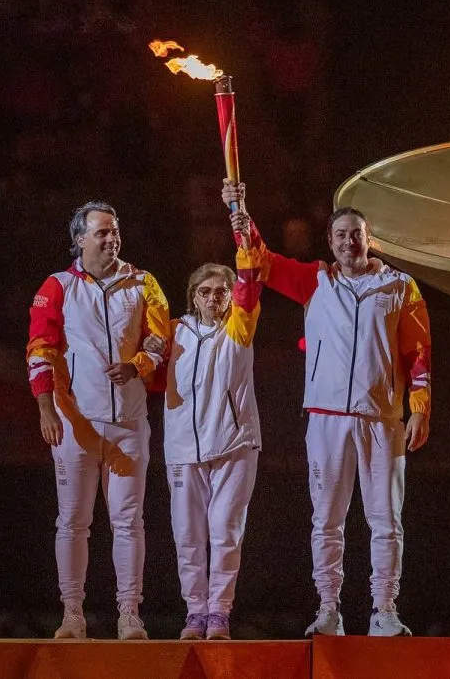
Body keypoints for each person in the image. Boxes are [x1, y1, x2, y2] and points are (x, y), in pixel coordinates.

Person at [222, 181, 432, 637]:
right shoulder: (316, 280)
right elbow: (262, 258)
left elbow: (417, 353)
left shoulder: (400, 286)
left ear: (368, 239)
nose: (348, 241)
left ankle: (384, 611)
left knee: (386, 520)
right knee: (328, 520)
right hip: (327, 419)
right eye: (339, 235)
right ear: (330, 243)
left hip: (382, 420)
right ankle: (329, 609)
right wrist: (240, 209)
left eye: (355, 233)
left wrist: (419, 407)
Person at [26, 201, 170, 640]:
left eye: (115, 230)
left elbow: (161, 335)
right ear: (80, 239)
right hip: (76, 423)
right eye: (101, 232)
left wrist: (140, 364)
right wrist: (46, 408)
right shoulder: (57, 286)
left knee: (129, 521)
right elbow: (40, 349)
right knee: (72, 521)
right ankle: (73, 614)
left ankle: (130, 614)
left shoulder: (144, 283)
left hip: (128, 422)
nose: (111, 238)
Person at [144, 245, 264, 641]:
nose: (214, 298)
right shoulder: (174, 331)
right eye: (205, 291)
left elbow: (251, 282)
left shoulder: (239, 327)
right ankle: (195, 612)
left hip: (234, 446)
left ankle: (219, 614)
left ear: (231, 295)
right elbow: (145, 357)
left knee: (225, 532)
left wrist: (241, 225)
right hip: (182, 449)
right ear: (193, 295)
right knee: (187, 535)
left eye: (221, 291)